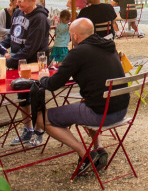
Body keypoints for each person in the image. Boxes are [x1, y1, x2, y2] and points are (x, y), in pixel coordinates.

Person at [33, 18, 127, 176]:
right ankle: (99, 147)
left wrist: (43, 78)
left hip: (101, 114)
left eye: (71, 35)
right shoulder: (108, 46)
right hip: (121, 109)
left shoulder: (78, 52)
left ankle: (85, 155)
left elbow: (53, 84)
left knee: (42, 118)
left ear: (75, 36)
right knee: (87, 99)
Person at [2, 0, 50, 147]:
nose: (18, 4)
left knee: (36, 97)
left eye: (21, 1)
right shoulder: (17, 12)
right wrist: (1, 46)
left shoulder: (40, 18)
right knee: (22, 97)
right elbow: (12, 35)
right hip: (19, 62)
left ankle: (39, 131)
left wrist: (10, 61)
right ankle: (27, 130)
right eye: (17, 0)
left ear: (32, 0)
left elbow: (32, 47)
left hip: (35, 64)